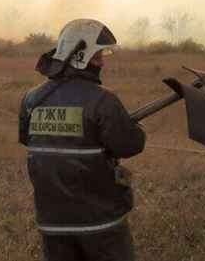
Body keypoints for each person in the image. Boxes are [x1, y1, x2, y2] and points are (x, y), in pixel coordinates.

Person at [18, 19, 146, 261]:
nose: (102, 63)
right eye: (97, 57)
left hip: (52, 221)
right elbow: (130, 145)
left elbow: (28, 140)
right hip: (101, 222)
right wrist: (134, 128)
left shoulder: (30, 99)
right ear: (79, 56)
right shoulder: (103, 100)